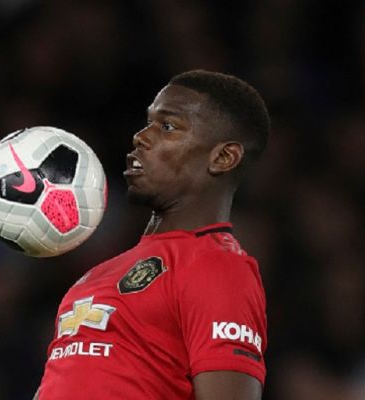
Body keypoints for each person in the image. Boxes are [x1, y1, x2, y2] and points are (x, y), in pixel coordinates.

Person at [33, 70, 270, 400]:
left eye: (167, 126)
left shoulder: (218, 267)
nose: (141, 137)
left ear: (223, 157)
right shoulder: (94, 276)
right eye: (148, 123)